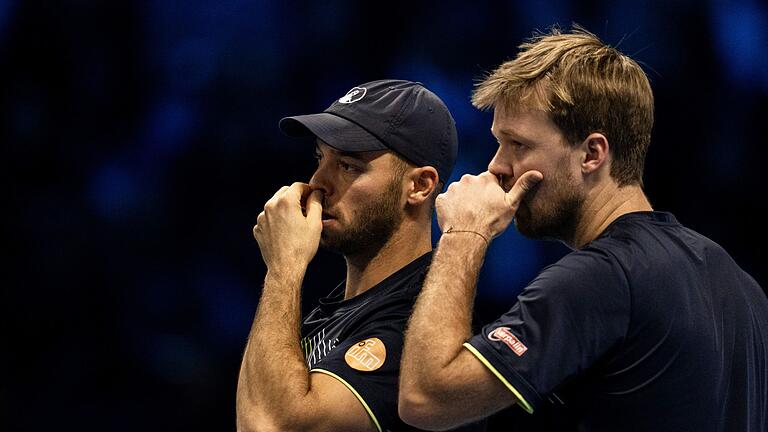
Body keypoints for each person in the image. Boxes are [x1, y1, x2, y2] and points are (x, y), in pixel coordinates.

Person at [398, 27, 768, 431]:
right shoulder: (740, 286)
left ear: (592, 153)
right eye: (498, 143)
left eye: (518, 145)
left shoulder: (602, 279)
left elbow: (425, 398)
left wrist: (462, 236)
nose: (496, 167)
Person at [236, 79, 484, 432]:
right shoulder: (339, 310)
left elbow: (268, 425)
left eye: (349, 165)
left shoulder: (420, 322)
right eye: (321, 158)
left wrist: (283, 268)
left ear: (419, 186)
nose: (318, 181)